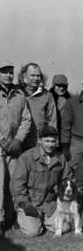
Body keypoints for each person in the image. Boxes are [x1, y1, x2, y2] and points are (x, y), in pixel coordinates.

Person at [11, 126, 72, 237]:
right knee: (33, 232)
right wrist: (24, 203)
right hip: (31, 203)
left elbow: (67, 178)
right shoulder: (26, 158)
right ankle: (21, 219)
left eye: (53, 141)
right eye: (47, 141)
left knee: (65, 227)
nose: (50, 145)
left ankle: (44, 220)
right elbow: (17, 184)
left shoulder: (60, 158)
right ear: (40, 141)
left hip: (49, 204)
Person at [0, 59, 31, 237]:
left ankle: (12, 219)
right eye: (4, 72)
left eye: (11, 71)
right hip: (0, 145)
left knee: (14, 184)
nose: (8, 75)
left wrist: (18, 140)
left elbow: (26, 119)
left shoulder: (19, 94)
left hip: (13, 147)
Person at [18, 63, 57, 151]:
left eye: (38, 76)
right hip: (19, 143)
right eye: (32, 75)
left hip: (38, 144)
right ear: (24, 77)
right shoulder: (17, 94)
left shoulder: (47, 95)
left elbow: (52, 121)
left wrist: (50, 141)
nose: (36, 79)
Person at [49, 74, 71, 145]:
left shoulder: (70, 101)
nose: (62, 89)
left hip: (65, 136)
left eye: (64, 86)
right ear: (53, 86)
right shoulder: (47, 98)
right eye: (59, 86)